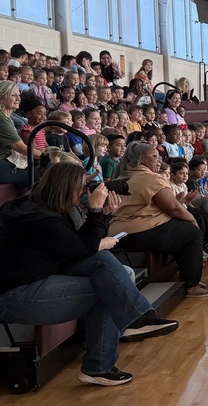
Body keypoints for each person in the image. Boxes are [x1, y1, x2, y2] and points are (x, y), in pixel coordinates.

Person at [0, 161, 178, 386]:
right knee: (108, 285)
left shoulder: (42, 207)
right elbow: (83, 250)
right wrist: (95, 212)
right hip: (17, 296)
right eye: (82, 187)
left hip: (41, 277)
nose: (85, 192)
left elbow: (80, 247)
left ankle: (126, 331)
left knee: (112, 271)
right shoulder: (40, 218)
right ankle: (105, 358)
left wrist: (104, 214)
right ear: (66, 187)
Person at [108, 142, 208, 298]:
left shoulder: (121, 174)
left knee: (183, 230)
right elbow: (173, 208)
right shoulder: (150, 178)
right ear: (142, 159)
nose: (159, 160)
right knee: (193, 234)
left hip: (119, 231)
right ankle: (192, 285)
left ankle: (182, 276)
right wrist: (192, 221)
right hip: (140, 230)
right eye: (155, 156)